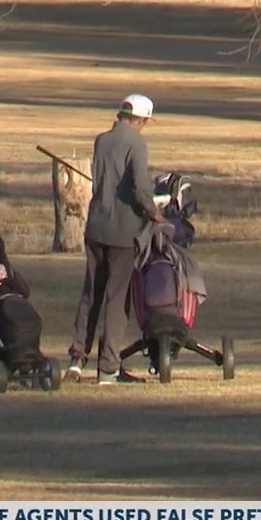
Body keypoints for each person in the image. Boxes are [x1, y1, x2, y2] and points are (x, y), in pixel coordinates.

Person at [66, 94, 163, 385]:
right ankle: (108, 366)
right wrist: (153, 212)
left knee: (91, 294)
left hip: (96, 227)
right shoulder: (136, 143)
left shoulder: (101, 140)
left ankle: (76, 360)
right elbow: (140, 186)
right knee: (116, 298)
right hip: (122, 231)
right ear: (141, 120)